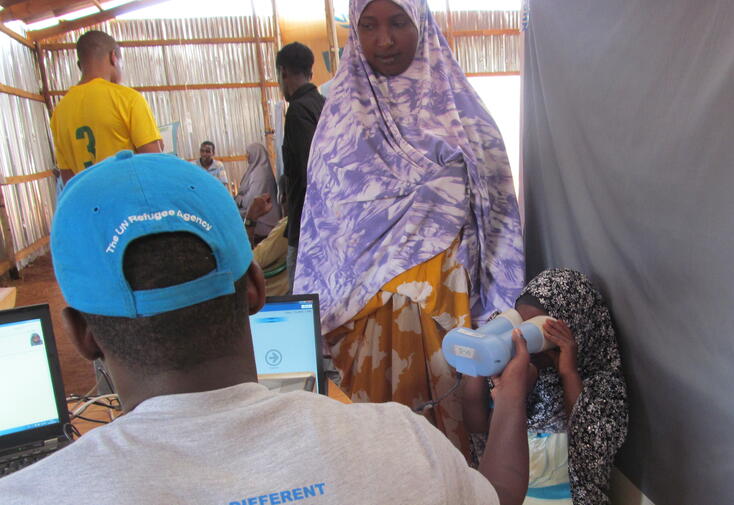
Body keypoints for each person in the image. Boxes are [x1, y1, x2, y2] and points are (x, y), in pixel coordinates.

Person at [0, 151, 531, 505]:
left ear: (82, 336)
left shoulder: (31, 495)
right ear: (255, 288)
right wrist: (510, 398)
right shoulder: (406, 445)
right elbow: (494, 498)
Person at [292, 0, 524, 455]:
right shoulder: (338, 126)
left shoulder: (465, 118)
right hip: (362, 318)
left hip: (446, 311)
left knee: (449, 445)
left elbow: (499, 219)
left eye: (398, 22)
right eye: (369, 25)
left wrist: (496, 314)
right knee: (376, 449)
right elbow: (324, 230)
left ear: (421, 23)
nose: (384, 40)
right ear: (354, 31)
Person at [463, 269, 629, 505]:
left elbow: (588, 446)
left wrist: (569, 373)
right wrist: (479, 360)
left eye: (540, 330)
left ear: (577, 326)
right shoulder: (516, 374)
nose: (526, 342)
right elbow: (478, 430)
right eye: (522, 325)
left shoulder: (602, 386)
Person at [50, 30, 162, 184]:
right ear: (113, 57)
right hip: (129, 196)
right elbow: (155, 163)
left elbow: (68, 179)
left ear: (80, 66)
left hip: (90, 198)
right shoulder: (128, 99)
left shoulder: (60, 112)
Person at [276, 42, 325, 291]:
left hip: (307, 230)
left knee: (303, 299)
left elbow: (310, 174)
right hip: (329, 227)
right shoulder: (324, 105)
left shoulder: (297, 111)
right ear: (310, 71)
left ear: (283, 71)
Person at [235, 143, 282, 244]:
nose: (247, 156)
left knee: (233, 217)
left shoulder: (259, 174)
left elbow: (251, 201)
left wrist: (239, 199)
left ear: (256, 154)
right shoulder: (255, 170)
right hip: (258, 213)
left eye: (248, 153)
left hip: (263, 220)